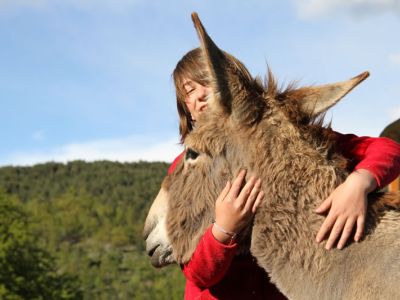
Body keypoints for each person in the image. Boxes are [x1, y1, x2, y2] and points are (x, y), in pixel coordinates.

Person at [169, 48, 400, 300]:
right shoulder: (185, 169)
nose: (200, 95)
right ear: (187, 110)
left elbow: (388, 149)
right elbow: (198, 273)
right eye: (189, 91)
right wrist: (224, 229)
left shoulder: (288, 142)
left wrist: (358, 183)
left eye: (208, 82)